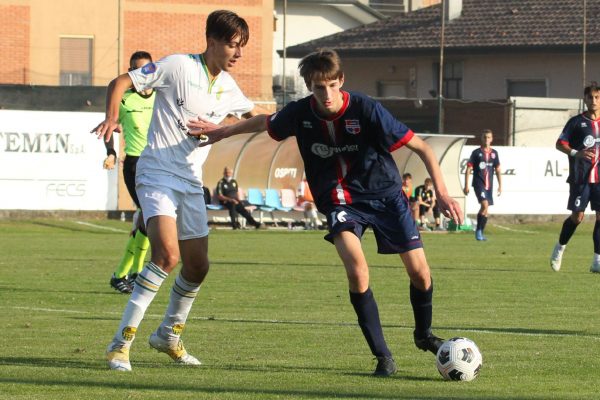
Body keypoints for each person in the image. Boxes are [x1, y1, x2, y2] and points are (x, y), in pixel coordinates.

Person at [188, 48, 463, 377]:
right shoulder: (300, 113)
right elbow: (265, 122)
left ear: (341, 81)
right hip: (339, 199)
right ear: (309, 86)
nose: (327, 94)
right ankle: (383, 357)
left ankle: (423, 334)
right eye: (319, 87)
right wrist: (222, 131)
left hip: (386, 195)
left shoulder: (366, 109)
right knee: (357, 270)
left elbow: (421, 146)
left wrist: (443, 194)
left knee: (420, 273)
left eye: (332, 85)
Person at [91, 10, 264, 372]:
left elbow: (257, 117)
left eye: (241, 47)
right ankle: (120, 343)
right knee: (167, 256)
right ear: (212, 41)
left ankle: (168, 334)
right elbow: (120, 82)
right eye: (233, 45)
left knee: (198, 266)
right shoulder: (178, 66)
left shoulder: (229, 86)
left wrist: (299, 120)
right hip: (155, 173)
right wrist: (112, 117)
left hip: (189, 180)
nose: (238, 54)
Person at [103, 51, 155, 294]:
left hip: (158, 163)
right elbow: (110, 127)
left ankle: (125, 274)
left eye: (144, 69)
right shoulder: (125, 99)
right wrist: (111, 152)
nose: (140, 75)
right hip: (134, 164)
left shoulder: (162, 98)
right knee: (147, 215)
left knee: (148, 219)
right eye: (135, 70)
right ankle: (131, 273)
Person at [550, 83, 600, 273]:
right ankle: (560, 248)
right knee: (577, 217)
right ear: (585, 99)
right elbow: (559, 143)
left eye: (597, 97)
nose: (593, 101)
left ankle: (597, 261)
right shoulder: (576, 122)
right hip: (581, 179)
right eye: (590, 97)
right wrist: (575, 153)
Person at [463, 129, 502, 241]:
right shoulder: (476, 153)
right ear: (482, 138)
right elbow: (469, 169)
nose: (486, 139)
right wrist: (466, 185)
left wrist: (500, 185)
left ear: (492, 139)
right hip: (478, 183)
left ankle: (481, 232)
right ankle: (478, 232)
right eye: (485, 137)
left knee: (486, 210)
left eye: (488, 137)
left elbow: (498, 170)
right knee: (484, 205)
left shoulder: (494, 153)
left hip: (489, 186)